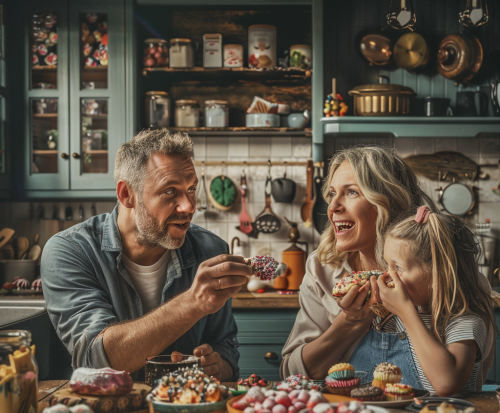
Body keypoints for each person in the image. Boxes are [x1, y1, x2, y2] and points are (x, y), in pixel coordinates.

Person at [41, 129, 251, 381]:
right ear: (126, 194)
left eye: (191, 189)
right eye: (170, 191)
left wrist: (218, 365)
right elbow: (96, 360)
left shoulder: (210, 249)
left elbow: (225, 347)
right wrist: (193, 303)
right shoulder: (70, 251)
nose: (189, 206)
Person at [280, 145, 495, 384]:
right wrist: (349, 323)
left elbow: (455, 381)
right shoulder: (323, 270)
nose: (333, 207)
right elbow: (292, 375)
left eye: (351, 192)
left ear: (390, 202)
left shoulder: (453, 278)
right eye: (332, 194)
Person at [366, 206, 495, 395]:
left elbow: (447, 383)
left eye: (398, 267)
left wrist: (406, 312)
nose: (388, 275)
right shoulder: (394, 316)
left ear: (436, 275)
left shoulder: (465, 321)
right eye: (387, 265)